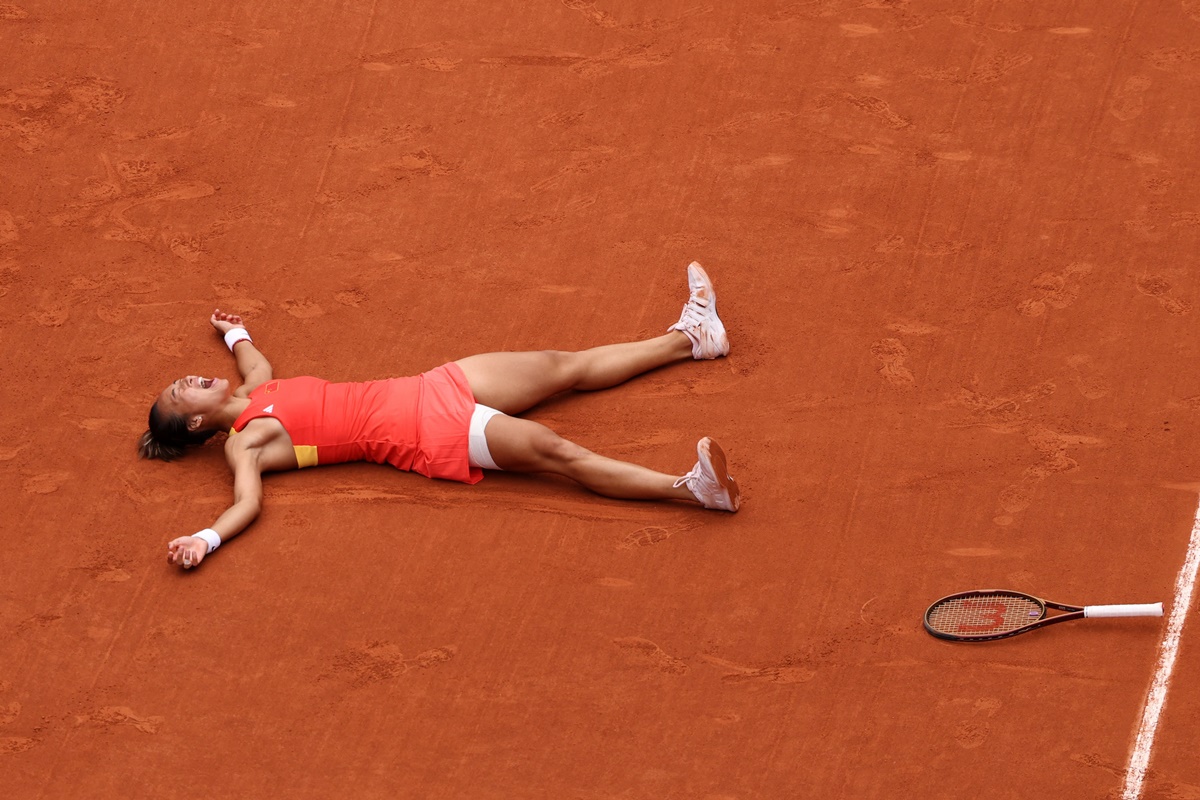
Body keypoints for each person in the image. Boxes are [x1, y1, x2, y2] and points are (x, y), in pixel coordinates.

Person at [140, 263, 742, 570]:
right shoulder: (243, 443)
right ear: (196, 425)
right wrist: (204, 538)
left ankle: (694, 337)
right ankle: (694, 491)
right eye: (179, 393)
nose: (185, 380)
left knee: (562, 366)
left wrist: (234, 330)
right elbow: (246, 502)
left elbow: (254, 357)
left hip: (434, 385)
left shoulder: (255, 390)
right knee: (559, 453)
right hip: (428, 433)